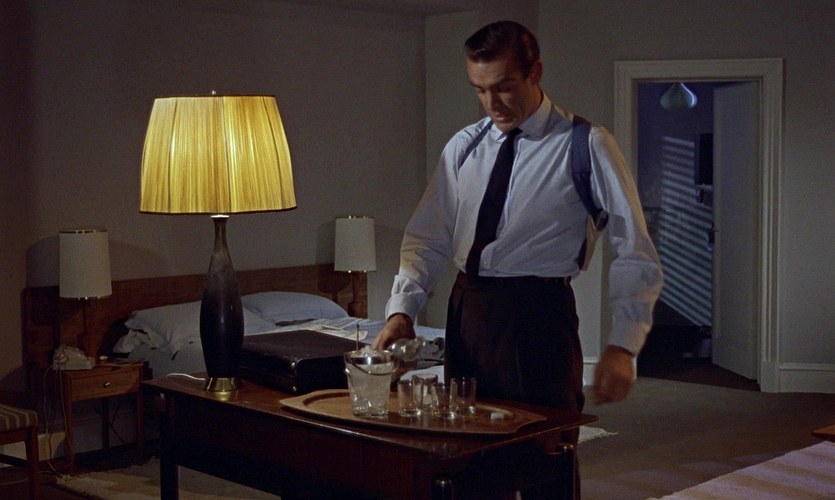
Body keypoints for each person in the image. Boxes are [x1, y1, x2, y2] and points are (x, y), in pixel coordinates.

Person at [373, 20, 663, 497]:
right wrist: (402, 310)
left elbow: (633, 247)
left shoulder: (586, 144)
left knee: (543, 461)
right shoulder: (463, 147)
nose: (493, 104)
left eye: (504, 87)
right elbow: (427, 237)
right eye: (479, 90)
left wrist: (624, 344)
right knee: (467, 454)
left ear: (535, 73)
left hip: (538, 319)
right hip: (469, 312)